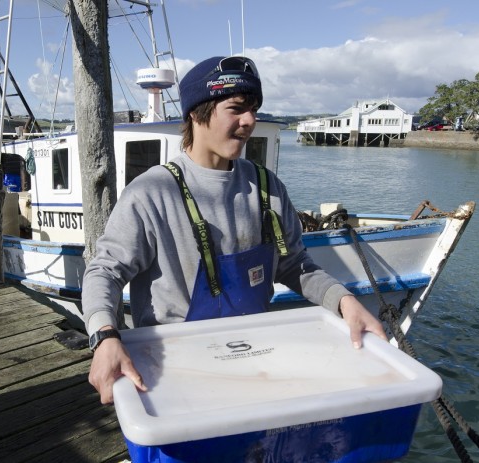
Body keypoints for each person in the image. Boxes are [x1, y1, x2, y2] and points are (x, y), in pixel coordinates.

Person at [81, 56, 386, 404]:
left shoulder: (267, 186)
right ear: (196, 112)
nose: (249, 121)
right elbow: (105, 271)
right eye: (236, 108)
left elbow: (294, 265)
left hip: (253, 359)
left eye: (253, 109)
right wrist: (105, 336)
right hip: (174, 370)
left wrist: (344, 301)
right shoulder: (150, 193)